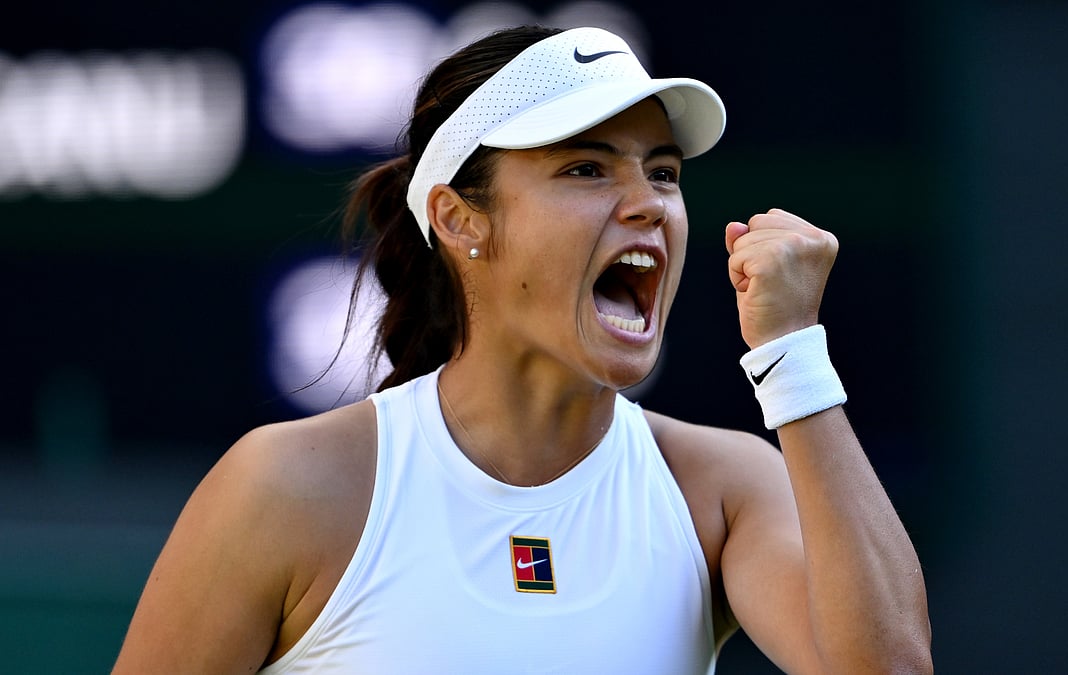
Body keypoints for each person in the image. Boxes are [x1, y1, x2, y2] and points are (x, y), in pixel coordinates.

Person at [113, 25, 931, 674]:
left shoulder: (722, 490)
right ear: (460, 220)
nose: (649, 204)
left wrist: (794, 356)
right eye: (585, 168)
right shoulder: (286, 486)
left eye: (663, 172)